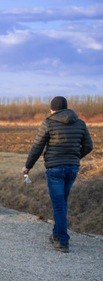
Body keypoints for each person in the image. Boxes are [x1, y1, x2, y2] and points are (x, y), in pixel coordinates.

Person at [22, 96, 93, 253]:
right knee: (63, 203)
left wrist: (27, 167)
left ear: (52, 109)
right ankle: (56, 234)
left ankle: (62, 241)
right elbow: (88, 146)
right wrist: (75, 158)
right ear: (66, 108)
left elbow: (37, 147)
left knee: (59, 204)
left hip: (55, 169)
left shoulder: (48, 123)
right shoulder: (80, 123)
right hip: (72, 168)